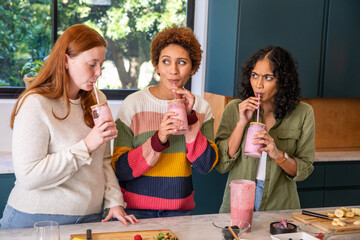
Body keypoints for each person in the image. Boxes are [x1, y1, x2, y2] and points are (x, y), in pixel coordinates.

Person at [0, 24, 138, 229]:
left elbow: (104, 160)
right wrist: (86, 145)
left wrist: (114, 201)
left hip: (89, 218)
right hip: (36, 219)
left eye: (101, 64)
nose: (99, 72)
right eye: (92, 64)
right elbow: (28, 176)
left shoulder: (97, 99)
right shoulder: (35, 103)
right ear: (66, 60)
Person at [111, 26, 218, 219]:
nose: (173, 71)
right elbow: (120, 169)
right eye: (166, 62)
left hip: (180, 214)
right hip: (135, 213)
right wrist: (158, 139)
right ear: (157, 66)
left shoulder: (202, 108)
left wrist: (190, 120)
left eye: (182, 62)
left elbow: (205, 165)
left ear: (192, 67)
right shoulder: (133, 105)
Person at [215, 46, 315, 212]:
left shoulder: (303, 113)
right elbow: (222, 164)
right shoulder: (235, 108)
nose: (258, 85)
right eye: (254, 76)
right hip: (238, 200)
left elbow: (304, 170)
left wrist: (277, 154)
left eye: (268, 78)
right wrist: (241, 123)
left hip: (280, 203)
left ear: (282, 81)